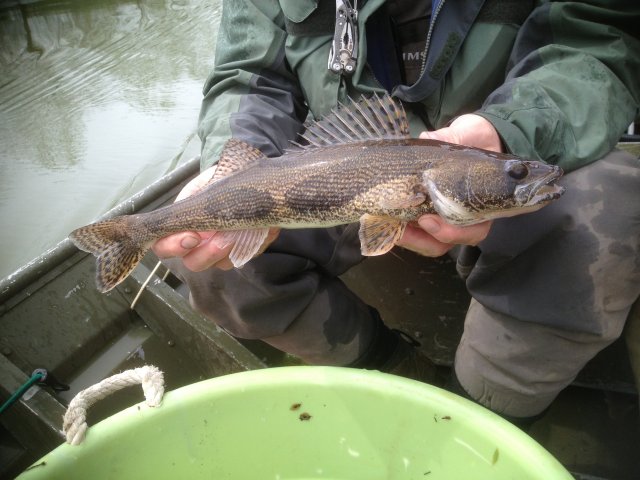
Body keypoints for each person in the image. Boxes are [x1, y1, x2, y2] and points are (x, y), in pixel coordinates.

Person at [153, 0, 640, 426]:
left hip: (501, 135)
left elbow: (596, 38)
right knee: (216, 267)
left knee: (606, 214)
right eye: (516, 174)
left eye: (514, 175)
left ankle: (483, 415)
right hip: (332, 176)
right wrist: (226, 167)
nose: (521, 177)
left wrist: (510, 132)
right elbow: (249, 78)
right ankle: (391, 375)